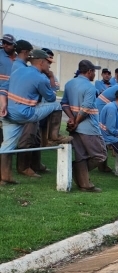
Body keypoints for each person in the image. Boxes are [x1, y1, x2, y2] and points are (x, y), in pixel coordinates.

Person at [0, 49, 71, 185]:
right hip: (25, 114)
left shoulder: (17, 71)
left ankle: (5, 177)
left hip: (9, 114)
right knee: (57, 105)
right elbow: (50, 98)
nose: (49, 66)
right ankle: (54, 136)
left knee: (7, 146)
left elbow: (3, 88)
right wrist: (50, 77)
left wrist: (3, 104)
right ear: (41, 62)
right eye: (48, 63)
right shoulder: (41, 78)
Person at [61, 59, 106, 192]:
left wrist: (71, 118)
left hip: (75, 128)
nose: (95, 75)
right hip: (89, 128)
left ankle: (85, 184)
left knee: (81, 156)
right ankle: (77, 172)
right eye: (94, 72)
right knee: (100, 155)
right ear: (89, 71)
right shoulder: (90, 87)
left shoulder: (69, 84)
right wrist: (76, 121)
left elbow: (64, 103)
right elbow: (86, 108)